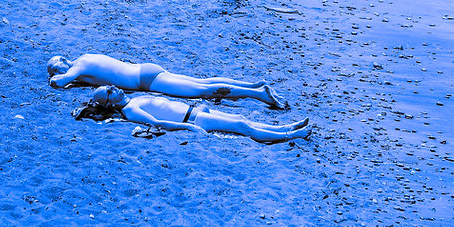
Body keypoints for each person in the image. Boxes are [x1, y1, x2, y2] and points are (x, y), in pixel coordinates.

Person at [73, 86, 311, 144]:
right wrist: (189, 128)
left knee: (243, 121)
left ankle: (288, 129)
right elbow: (157, 122)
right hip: (192, 119)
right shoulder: (130, 109)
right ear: (110, 103)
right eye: (109, 92)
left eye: (110, 87)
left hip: (194, 112)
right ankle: (293, 135)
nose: (113, 88)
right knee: (242, 125)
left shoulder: (133, 99)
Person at [47, 53, 289, 109]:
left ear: (63, 62)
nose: (54, 70)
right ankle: (253, 87)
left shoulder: (77, 67)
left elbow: (60, 82)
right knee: (202, 82)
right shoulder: (87, 57)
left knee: (201, 91)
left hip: (145, 82)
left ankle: (258, 94)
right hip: (146, 69)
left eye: (54, 66)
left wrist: (56, 77)